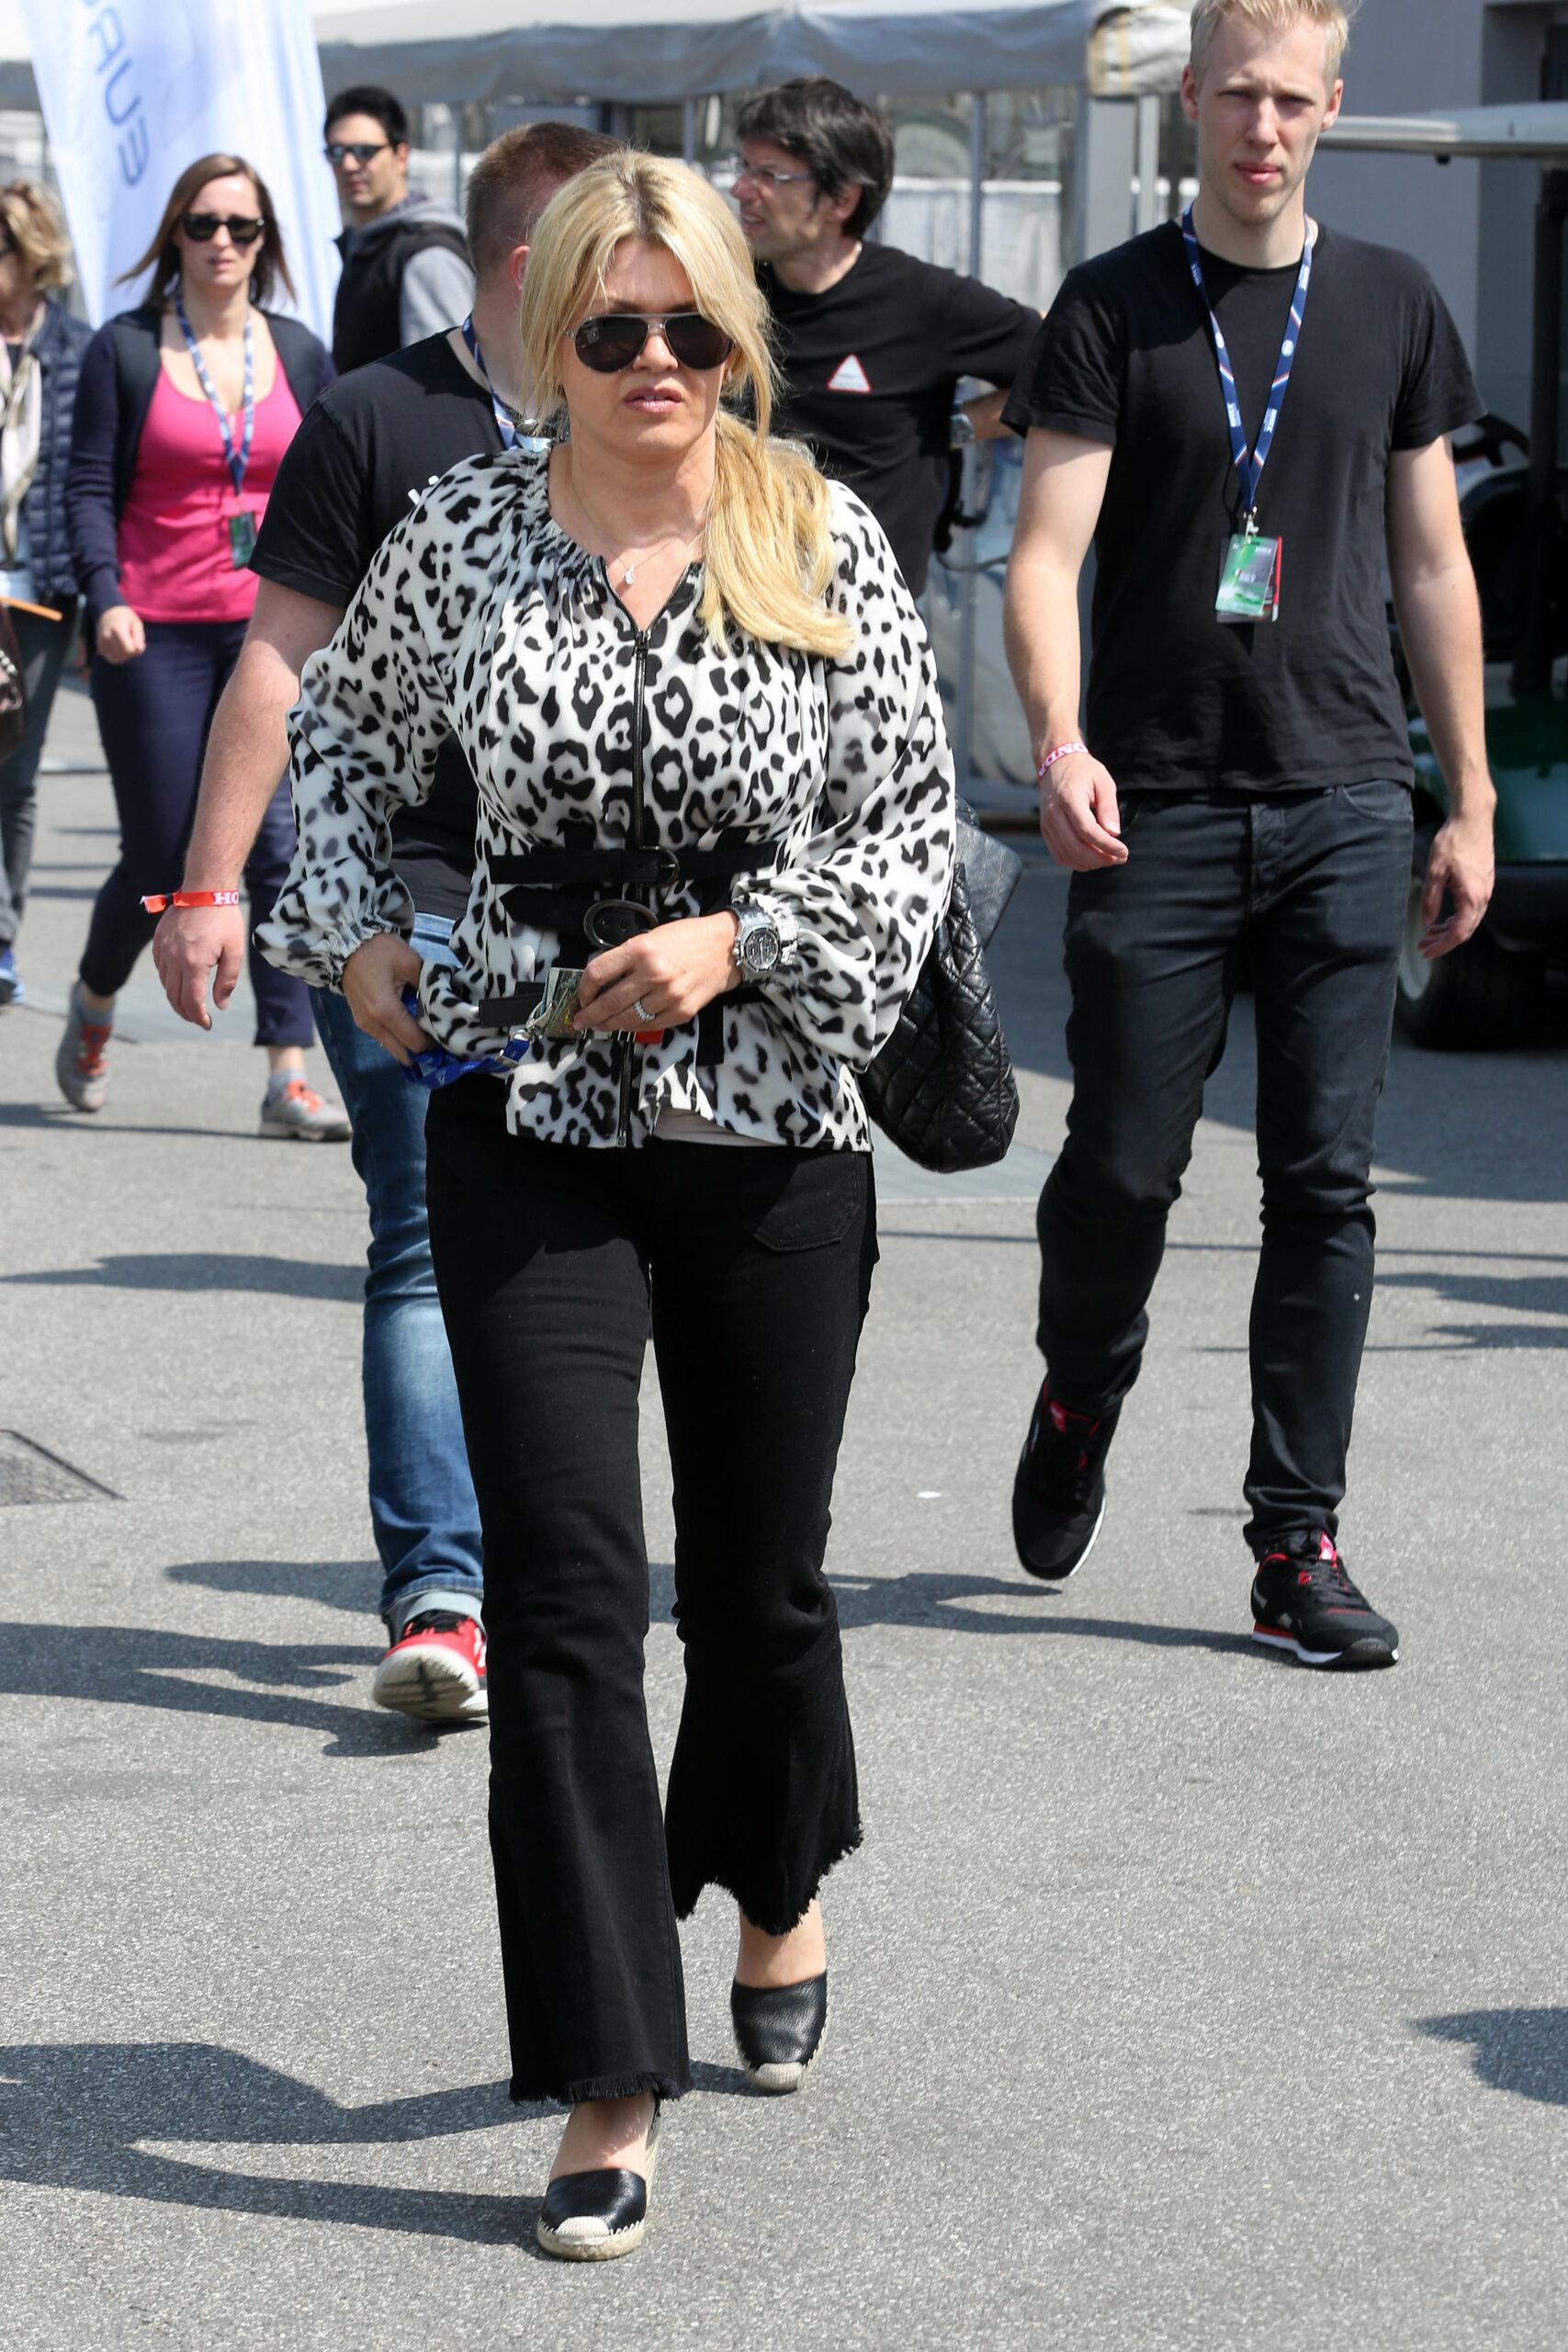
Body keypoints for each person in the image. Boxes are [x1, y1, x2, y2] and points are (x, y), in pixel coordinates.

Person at [257, 150, 954, 2258]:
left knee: (758, 1590)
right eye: (609, 328)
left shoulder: (814, 528)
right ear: (544, 330)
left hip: (770, 1122)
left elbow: (912, 826)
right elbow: (337, 753)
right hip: (524, 1107)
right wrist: (344, 930)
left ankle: (776, 1867)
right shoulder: (461, 531)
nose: (653, 365)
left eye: (690, 329)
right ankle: (604, 2068)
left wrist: (740, 943)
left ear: (735, 342)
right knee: (565, 1602)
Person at [1001, 0, 1494, 1667]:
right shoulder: (1113, 307)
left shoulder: (1391, 305)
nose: (1262, 127)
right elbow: (1044, 557)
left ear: (1330, 109)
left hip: (1346, 792)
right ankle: (1084, 1380)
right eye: (1237, 96)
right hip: (1158, 800)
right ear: (1190, 101)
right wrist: (1059, 741)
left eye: (1293, 101)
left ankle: (1296, 1543)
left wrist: (1468, 797)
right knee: (1124, 1166)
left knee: (1324, 1184)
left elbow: (1430, 563)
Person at [152, 121, 617, 1721]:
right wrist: (207, 888)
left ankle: (555, 1573)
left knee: (584, 1251)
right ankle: (442, 1592)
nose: (631, 308)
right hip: (401, 904)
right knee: (424, 1246)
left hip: (606, 927)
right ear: (516, 268)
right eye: (595, 270)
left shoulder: (646, 412)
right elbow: (273, 667)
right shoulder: (373, 419)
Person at [60, 153, 344, 1136]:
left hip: (272, 627)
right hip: (154, 628)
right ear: (173, 233)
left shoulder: (302, 352)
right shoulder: (126, 348)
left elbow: (338, 489)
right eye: (204, 223)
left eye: (244, 227)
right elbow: (88, 486)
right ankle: (97, 1000)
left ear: (266, 245)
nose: (223, 242)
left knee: (274, 848)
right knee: (159, 851)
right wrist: (104, 596)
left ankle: (286, 1073)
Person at [732, 75, 1040, 595]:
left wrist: (958, 428)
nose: (742, 189)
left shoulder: (923, 301)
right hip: (742, 601)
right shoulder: (727, 291)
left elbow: (1070, 369)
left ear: (841, 200)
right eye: (744, 167)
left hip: (871, 624)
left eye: (770, 175)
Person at [0, 181, 93, 1011]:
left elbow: (85, 478)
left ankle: (2, 936)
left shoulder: (74, 347)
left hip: (39, 587)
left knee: (15, 769)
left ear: (30, 258)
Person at [324, 85, 474, 373]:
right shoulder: (362, 244)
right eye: (336, 152)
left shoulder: (427, 256)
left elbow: (442, 384)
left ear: (401, 155)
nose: (349, 164)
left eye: (364, 151)